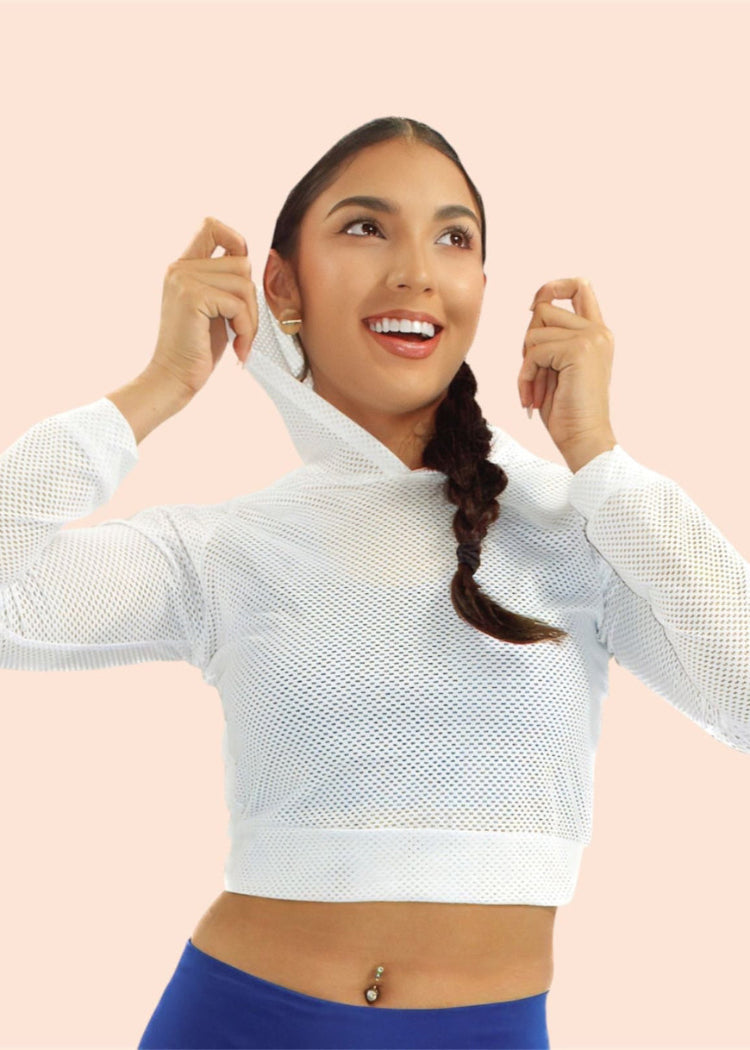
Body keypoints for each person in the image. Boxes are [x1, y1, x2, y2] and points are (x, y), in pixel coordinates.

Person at [2, 117, 748, 1050]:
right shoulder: (232, 547)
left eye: (453, 237)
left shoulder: (581, 527)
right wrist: (160, 384)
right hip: (236, 1020)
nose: (416, 272)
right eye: (365, 228)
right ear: (282, 288)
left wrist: (600, 458)